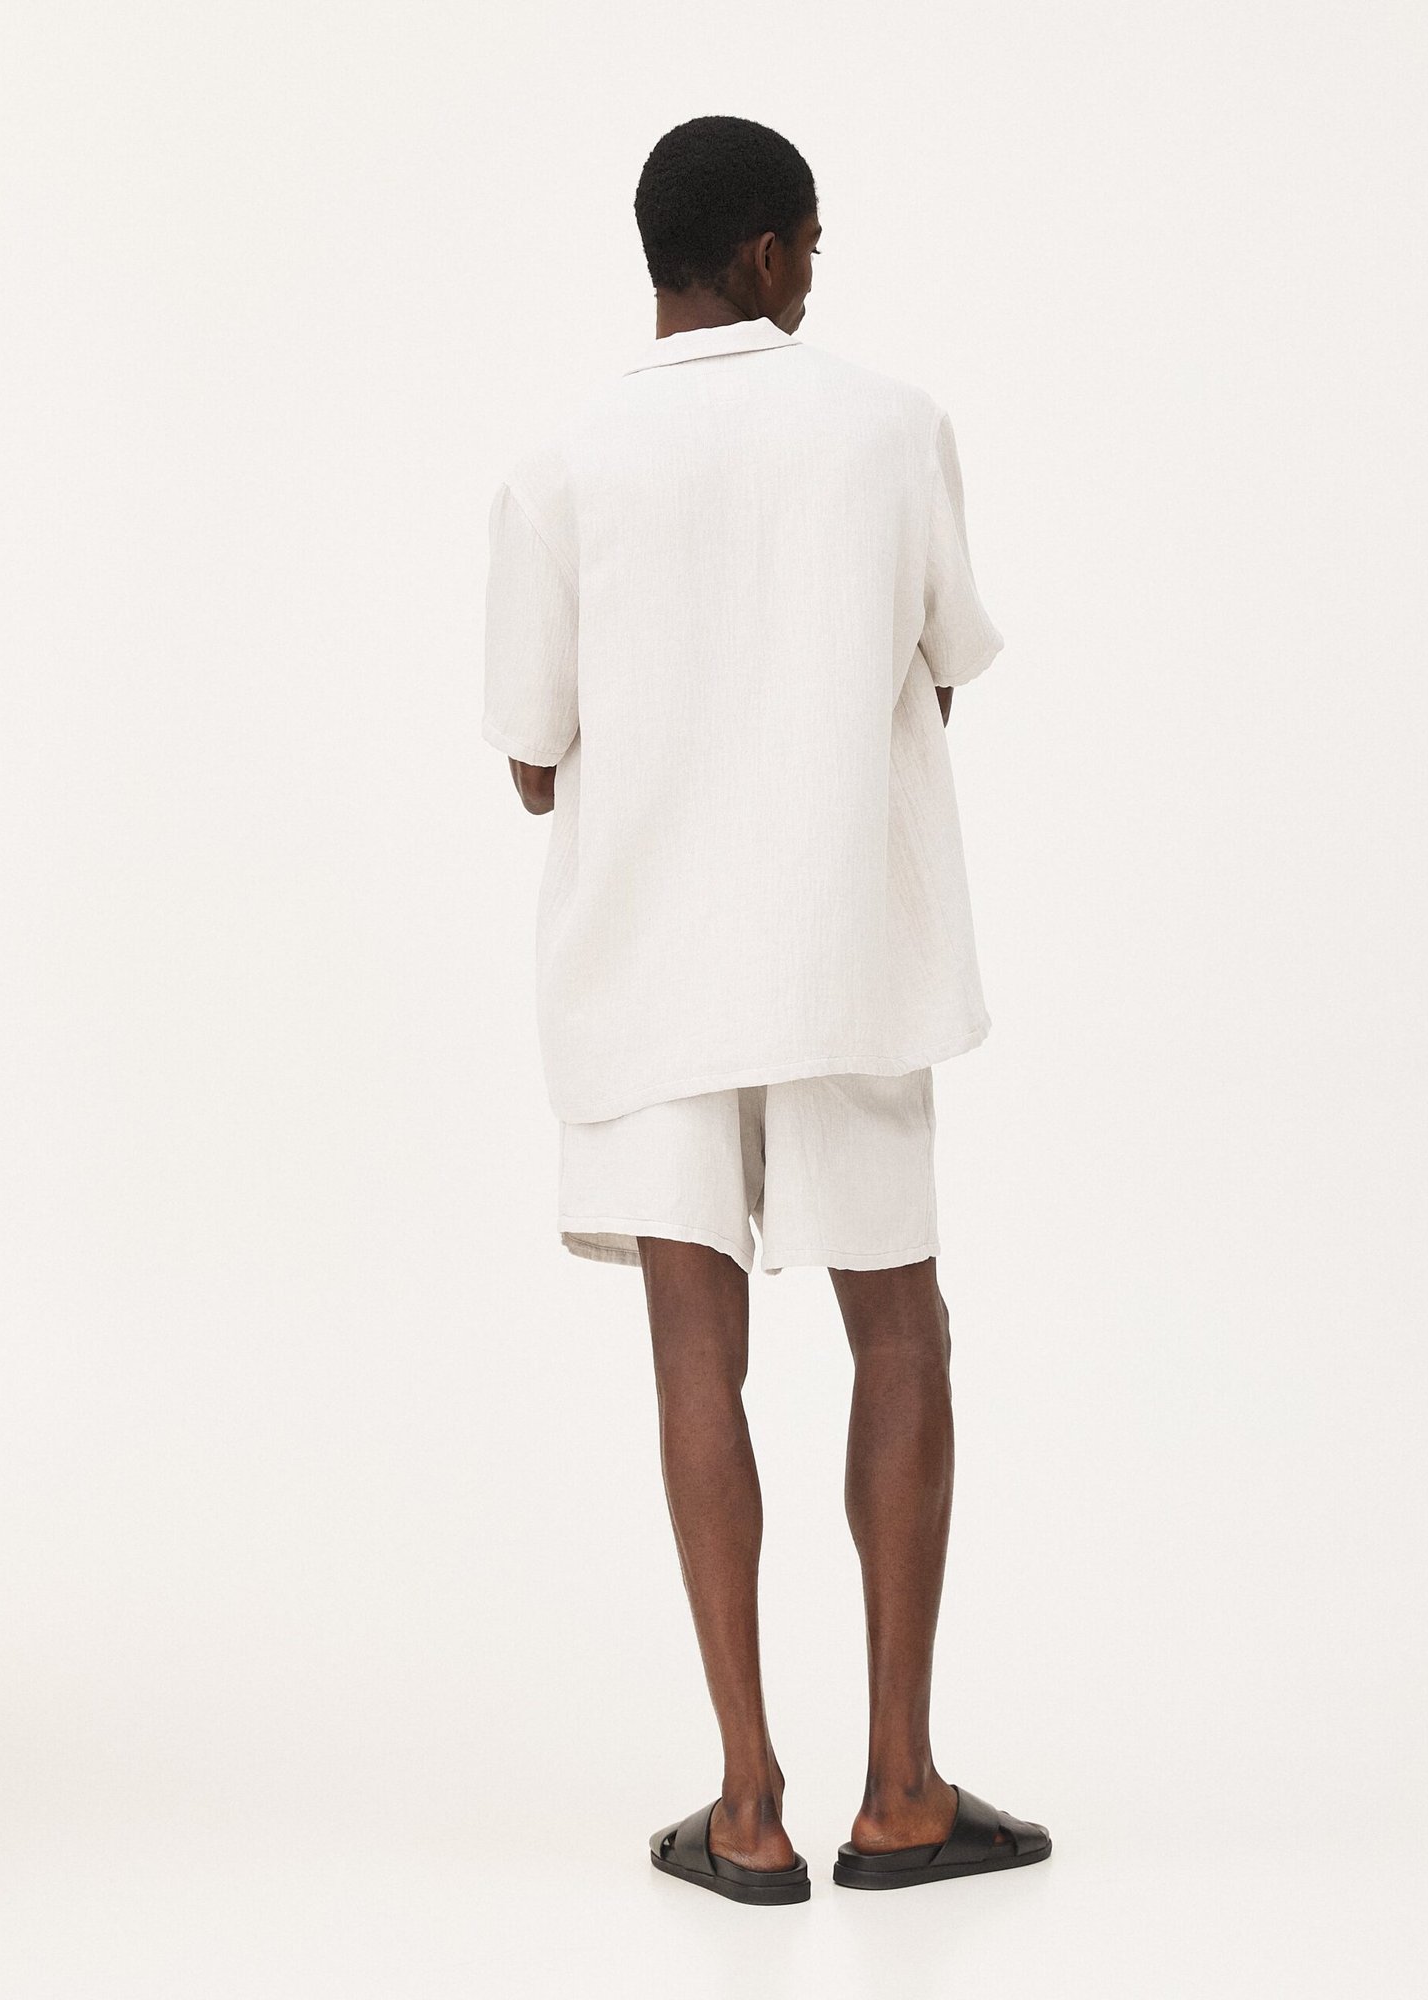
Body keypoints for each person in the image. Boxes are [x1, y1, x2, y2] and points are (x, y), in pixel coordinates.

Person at [482, 114, 1050, 1906]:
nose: (814, 269)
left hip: (650, 973)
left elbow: (529, 757)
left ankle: (744, 1807)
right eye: (809, 241)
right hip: (845, 956)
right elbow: (944, 669)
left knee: (693, 1356)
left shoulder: (562, 464)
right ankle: (903, 1792)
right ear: (759, 253)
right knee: (903, 1336)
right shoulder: (891, 424)